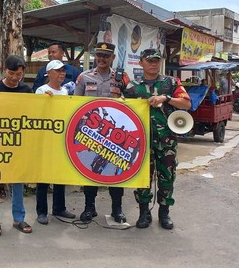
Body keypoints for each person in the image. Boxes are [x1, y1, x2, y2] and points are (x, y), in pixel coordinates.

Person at [123, 49, 191, 230]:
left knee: (167, 176)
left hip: (166, 140)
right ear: (141, 62)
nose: (153, 63)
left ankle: (164, 213)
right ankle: (144, 213)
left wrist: (167, 98)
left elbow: (186, 103)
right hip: (140, 141)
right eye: (149, 60)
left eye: (156, 60)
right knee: (143, 177)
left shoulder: (170, 82)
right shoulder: (132, 87)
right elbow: (122, 109)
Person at [74, 42, 130, 224]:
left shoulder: (122, 78)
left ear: (113, 58)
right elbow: (75, 105)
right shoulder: (84, 77)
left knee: (116, 172)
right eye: (99, 55)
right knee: (91, 171)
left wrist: (125, 97)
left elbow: (131, 102)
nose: (101, 59)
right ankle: (89, 208)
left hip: (114, 135)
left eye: (106, 56)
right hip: (90, 133)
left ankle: (117, 210)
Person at [0, 55, 33, 236]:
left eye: (18, 74)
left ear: (23, 73)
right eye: (11, 73)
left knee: (18, 180)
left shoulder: (27, 91)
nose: (14, 77)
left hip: (18, 142)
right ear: (4, 69)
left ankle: (18, 219)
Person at [35, 59, 77, 224]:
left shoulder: (65, 92)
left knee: (60, 176)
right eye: (58, 71)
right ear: (49, 73)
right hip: (46, 140)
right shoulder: (41, 90)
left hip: (61, 139)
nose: (62, 74)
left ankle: (59, 207)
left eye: (63, 71)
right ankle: (42, 211)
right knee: (43, 176)